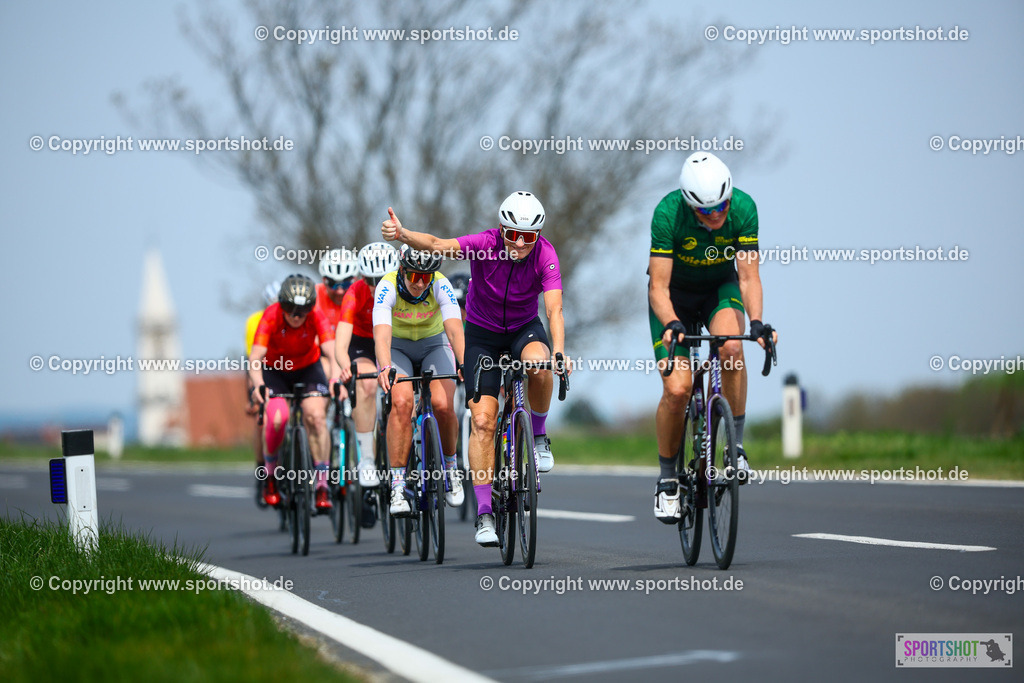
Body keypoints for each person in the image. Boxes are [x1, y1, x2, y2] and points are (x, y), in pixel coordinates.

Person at [382, 191, 570, 547]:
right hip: (482, 334)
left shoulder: (545, 254)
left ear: (538, 236)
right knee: (482, 421)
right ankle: (484, 512)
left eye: (528, 237)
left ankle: (540, 436)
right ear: (502, 229)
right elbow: (437, 244)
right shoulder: (484, 244)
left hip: (523, 329)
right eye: (513, 234)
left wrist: (559, 350)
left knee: (539, 364)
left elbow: (554, 309)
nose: (519, 243)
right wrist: (403, 234)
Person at [648, 152, 777, 523]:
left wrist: (756, 322)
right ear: (689, 205)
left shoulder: (744, 208)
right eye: (706, 211)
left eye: (722, 205)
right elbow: (658, 287)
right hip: (673, 297)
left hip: (718, 289)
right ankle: (668, 480)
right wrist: (672, 321)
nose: (717, 215)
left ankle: (734, 448)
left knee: (733, 347)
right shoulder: (667, 213)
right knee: (676, 390)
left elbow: (749, 277)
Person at [373, 245, 466, 516]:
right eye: (414, 276)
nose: (420, 283)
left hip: (433, 344)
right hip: (397, 348)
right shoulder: (386, 286)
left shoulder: (441, 284)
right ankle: (398, 485)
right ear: (402, 270)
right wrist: (385, 367)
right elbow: (381, 336)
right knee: (401, 403)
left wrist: (462, 363)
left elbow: (454, 330)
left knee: (443, 404)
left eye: (426, 277)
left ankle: (451, 468)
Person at [249, 274, 340, 511]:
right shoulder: (271, 315)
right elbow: (256, 358)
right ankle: (270, 476)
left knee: (317, 418)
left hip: (308, 369)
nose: (296, 316)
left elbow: (331, 351)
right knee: (278, 419)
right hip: (275, 371)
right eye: (290, 309)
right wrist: (258, 384)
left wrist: (335, 379)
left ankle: (321, 485)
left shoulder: (316, 316)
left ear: (311, 308)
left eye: (303, 310)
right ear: (281, 305)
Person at [336, 242, 400, 488]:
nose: (377, 286)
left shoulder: (404, 288)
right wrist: (346, 367)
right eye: (371, 281)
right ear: (362, 277)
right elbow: (341, 346)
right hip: (363, 342)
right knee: (367, 383)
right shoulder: (354, 292)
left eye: (383, 279)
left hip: (395, 338)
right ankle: (368, 460)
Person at [246, 280, 280, 508]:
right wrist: (253, 393)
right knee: (261, 419)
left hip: (294, 368)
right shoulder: (255, 322)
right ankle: (262, 471)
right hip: (265, 369)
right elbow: (253, 360)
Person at [315, 248, 360, 379]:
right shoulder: (315, 296)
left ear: (354, 279)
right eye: (333, 284)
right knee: (325, 370)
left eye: (346, 284)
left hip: (354, 351)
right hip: (324, 354)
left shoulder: (361, 295)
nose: (340, 291)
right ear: (324, 280)